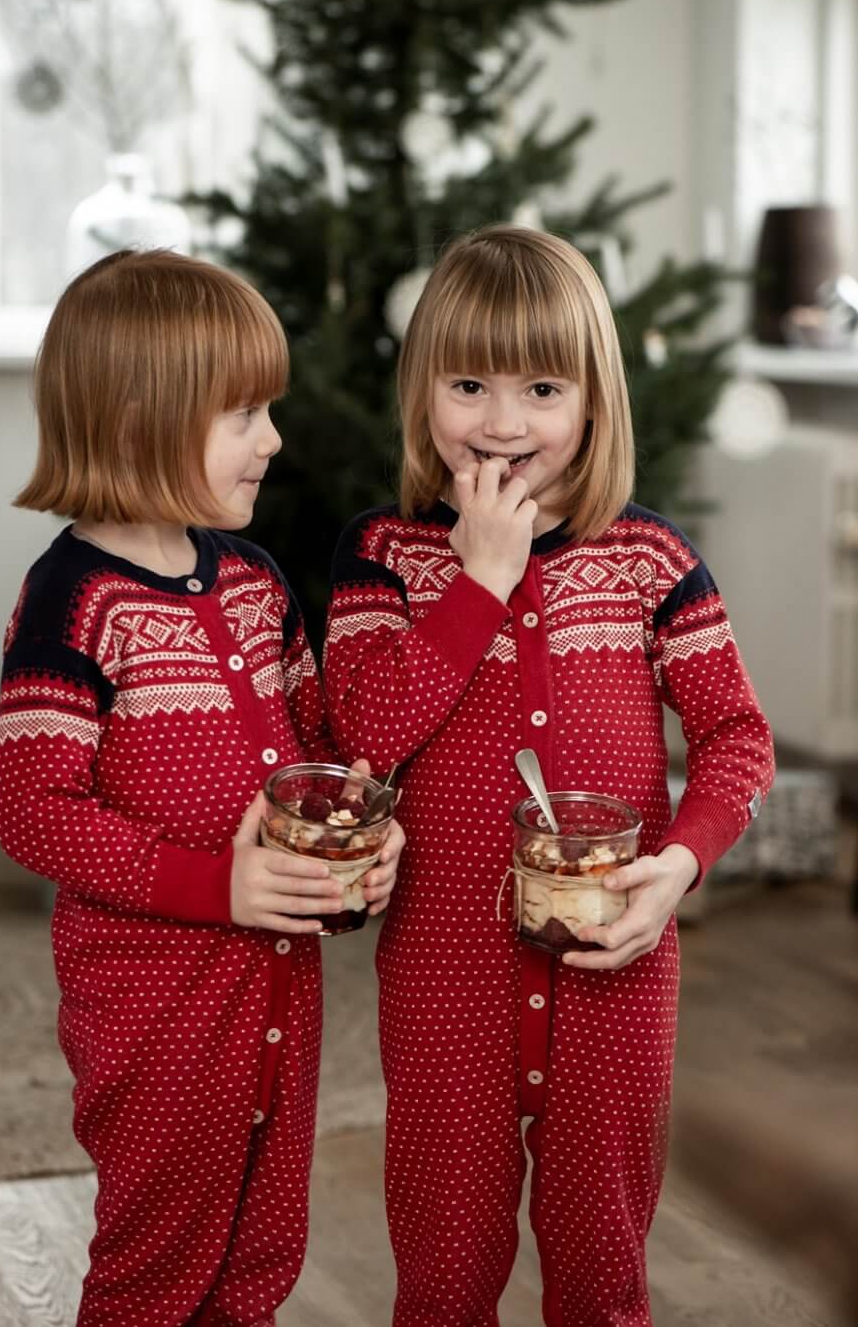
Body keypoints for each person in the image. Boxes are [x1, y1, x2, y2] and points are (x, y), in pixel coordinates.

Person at [322, 225, 774, 1327]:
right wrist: (476, 581)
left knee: (601, 1271)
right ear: (421, 388)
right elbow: (367, 730)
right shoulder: (383, 554)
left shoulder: (650, 563)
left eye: (540, 385)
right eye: (466, 382)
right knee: (440, 1272)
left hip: (620, 968)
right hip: (442, 976)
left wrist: (675, 866)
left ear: (592, 400)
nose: (503, 420)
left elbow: (735, 736)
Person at [0, 249, 403, 1327]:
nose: (271, 438)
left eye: (266, 409)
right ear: (138, 419)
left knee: (260, 1256)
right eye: (241, 414)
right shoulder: (72, 598)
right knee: (154, 1270)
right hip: (157, 1010)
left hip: (280, 993)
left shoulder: (255, 578)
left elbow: (320, 751)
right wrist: (213, 885)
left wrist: (363, 836)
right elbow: (34, 810)